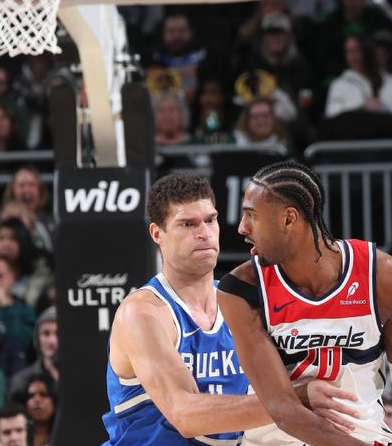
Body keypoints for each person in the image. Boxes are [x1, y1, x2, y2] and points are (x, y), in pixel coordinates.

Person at [218, 161, 392, 445]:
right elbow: (283, 408)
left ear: (288, 219)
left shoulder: (384, 276)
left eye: (252, 215)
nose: (242, 228)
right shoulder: (242, 289)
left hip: (363, 435)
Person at [103, 174, 361, 445]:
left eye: (210, 220)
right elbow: (185, 416)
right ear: (157, 234)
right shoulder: (143, 313)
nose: (204, 232)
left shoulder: (241, 303)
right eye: (187, 224)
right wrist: (295, 399)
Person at [9, 307, 58, 398]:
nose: (52, 341)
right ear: (37, 339)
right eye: (46, 334)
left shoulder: (80, 377)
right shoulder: (22, 381)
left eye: (58, 334)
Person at [14, 376, 54, 446]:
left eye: (43, 394)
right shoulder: (15, 436)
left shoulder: (66, 434)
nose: (37, 400)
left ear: (54, 401)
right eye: (31, 396)